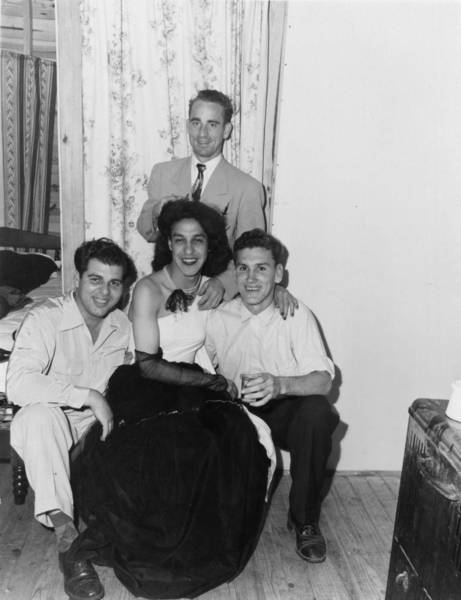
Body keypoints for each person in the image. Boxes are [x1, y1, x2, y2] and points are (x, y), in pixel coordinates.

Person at [70, 200, 274, 600]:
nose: (189, 250)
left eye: (198, 241)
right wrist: (212, 383)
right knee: (170, 451)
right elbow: (147, 364)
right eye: (179, 240)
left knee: (232, 441)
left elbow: (253, 291)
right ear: (167, 243)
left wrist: (280, 293)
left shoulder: (211, 285)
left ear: (209, 245)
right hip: (151, 383)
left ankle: (202, 544)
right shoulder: (148, 288)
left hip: (192, 384)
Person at [7, 238, 137, 600]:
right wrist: (86, 395)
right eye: (95, 279)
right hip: (46, 425)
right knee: (40, 417)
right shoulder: (45, 317)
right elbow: (17, 383)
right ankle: (70, 546)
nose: (105, 291)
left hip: (95, 430)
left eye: (114, 283)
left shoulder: (122, 326)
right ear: (77, 279)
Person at [204, 229, 339, 563]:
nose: (251, 278)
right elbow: (199, 369)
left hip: (282, 409)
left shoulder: (295, 313)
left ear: (278, 274)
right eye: (244, 268)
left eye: (262, 268)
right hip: (237, 411)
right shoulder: (218, 318)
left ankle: (305, 520)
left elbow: (323, 382)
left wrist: (279, 385)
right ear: (235, 272)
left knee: (317, 413)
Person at [136, 88, 267, 310]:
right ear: (188, 126)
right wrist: (158, 210)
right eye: (196, 123)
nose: (202, 133)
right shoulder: (162, 173)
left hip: (214, 300)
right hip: (165, 295)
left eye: (212, 124)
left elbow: (252, 255)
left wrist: (224, 284)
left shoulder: (247, 188)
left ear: (226, 130)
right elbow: (146, 232)